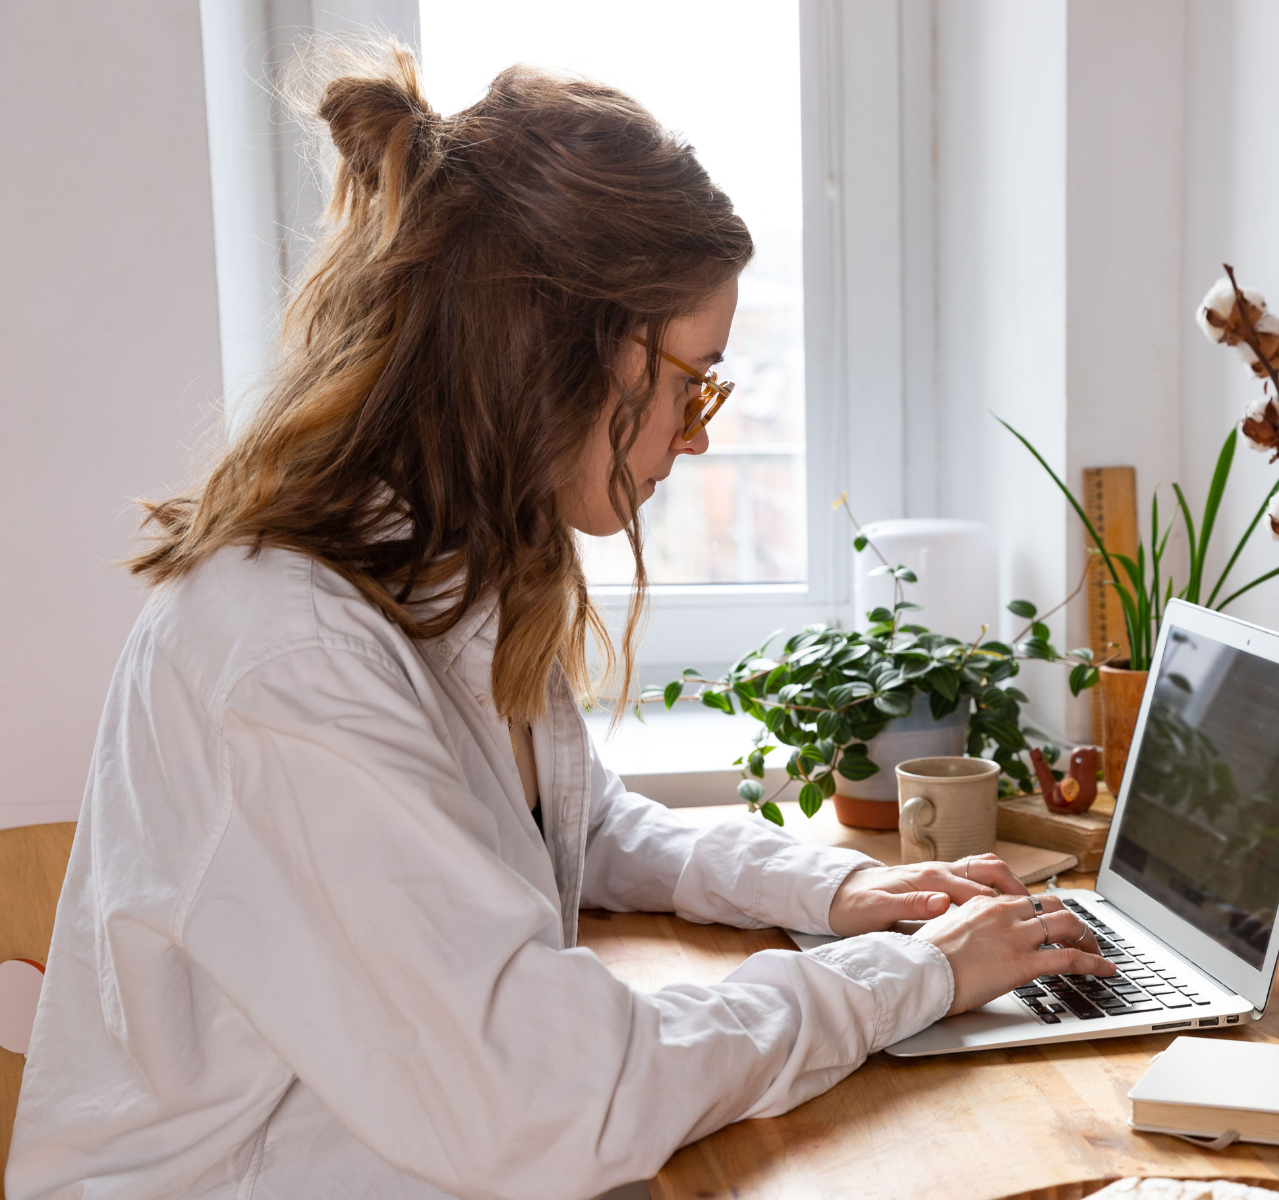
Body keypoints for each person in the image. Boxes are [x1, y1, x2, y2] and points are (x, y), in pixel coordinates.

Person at [5, 45, 1112, 1200]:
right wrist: (903, 979)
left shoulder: (453, 568)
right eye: (695, 383)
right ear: (562, 349)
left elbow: (568, 826)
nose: (698, 436)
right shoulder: (287, 657)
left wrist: (824, 893)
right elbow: (560, 1101)